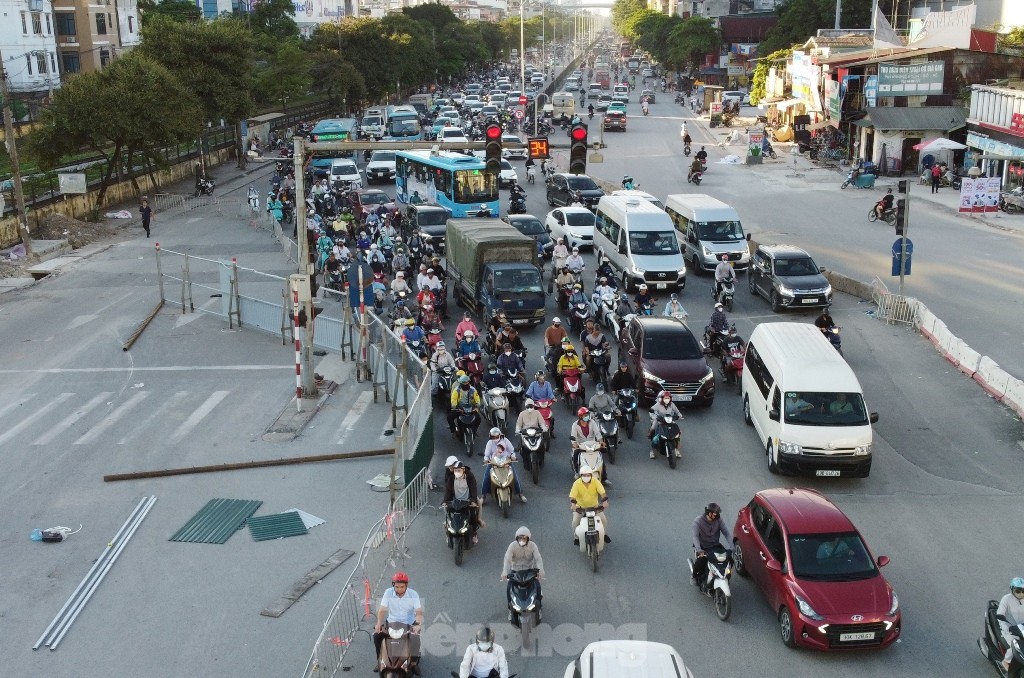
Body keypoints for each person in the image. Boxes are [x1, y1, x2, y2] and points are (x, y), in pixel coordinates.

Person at [372, 572, 423, 673]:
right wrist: (378, 623)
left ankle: (413, 663)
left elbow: (419, 612)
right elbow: (382, 610)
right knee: (376, 636)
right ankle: (380, 660)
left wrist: (417, 625)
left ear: (406, 585)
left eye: (402, 587)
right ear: (393, 585)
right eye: (397, 587)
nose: (399, 589)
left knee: (415, 638)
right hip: (392, 622)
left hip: (408, 623)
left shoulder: (413, 594)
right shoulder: (388, 592)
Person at [501, 526, 545, 618]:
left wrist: (541, 570)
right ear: (516, 538)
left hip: (529, 570)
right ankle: (510, 609)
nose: (522, 540)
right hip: (515, 571)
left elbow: (538, 558)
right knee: (509, 588)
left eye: (524, 538)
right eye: (520, 538)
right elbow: (507, 559)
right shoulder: (512, 546)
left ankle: (539, 607)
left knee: (537, 586)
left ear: (528, 538)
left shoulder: (533, 546)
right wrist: (504, 572)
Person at [442, 461, 485, 544]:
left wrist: (473, 501)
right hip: (456, 500)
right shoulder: (451, 479)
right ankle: (448, 534)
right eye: (455, 470)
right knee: (449, 515)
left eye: (459, 470)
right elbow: (448, 491)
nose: (457, 472)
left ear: (463, 470)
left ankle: (474, 533)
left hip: (468, 500)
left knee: (473, 516)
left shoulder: (470, 477)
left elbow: (473, 489)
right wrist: (445, 501)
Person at [691, 503, 731, 589]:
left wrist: (732, 546)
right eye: (715, 513)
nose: (717, 515)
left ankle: (725, 577)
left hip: (715, 545)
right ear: (709, 513)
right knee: (700, 562)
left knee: (729, 559)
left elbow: (726, 533)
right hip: (703, 547)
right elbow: (695, 537)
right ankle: (694, 576)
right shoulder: (698, 522)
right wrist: (699, 550)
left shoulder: (719, 520)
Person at [569, 464, 610, 545]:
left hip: (594, 507)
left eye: (588, 475)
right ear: (581, 476)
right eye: (584, 475)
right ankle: (577, 537)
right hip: (580, 508)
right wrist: (573, 505)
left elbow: (603, 493)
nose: (586, 477)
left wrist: (605, 502)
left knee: (604, 520)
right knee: (575, 522)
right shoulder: (577, 484)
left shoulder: (596, 482)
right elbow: (572, 496)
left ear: (591, 475)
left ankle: (603, 534)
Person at [481, 435, 526, 503]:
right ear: (490, 437)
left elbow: (512, 451)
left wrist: (513, 457)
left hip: (506, 462)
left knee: (514, 476)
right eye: (493, 437)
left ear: (500, 435)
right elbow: (486, 455)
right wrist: (486, 460)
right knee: (486, 477)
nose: (495, 438)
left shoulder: (505, 440)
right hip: (494, 463)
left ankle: (520, 494)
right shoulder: (490, 443)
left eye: (497, 437)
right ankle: (483, 496)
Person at [997, 577, 1024, 671]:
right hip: (1009, 627)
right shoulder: (1006, 599)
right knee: (1015, 645)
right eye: (1018, 591)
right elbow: (1000, 613)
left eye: (1023, 591)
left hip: (1021, 627)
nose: (1021, 594)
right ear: (1012, 589)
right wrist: (1005, 623)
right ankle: (1006, 661)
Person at [569, 407, 604, 478]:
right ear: (580, 416)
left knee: (600, 457)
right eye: (585, 415)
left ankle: (604, 477)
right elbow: (573, 436)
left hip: (592, 445)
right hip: (581, 445)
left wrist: (601, 441)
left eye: (587, 415)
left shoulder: (592, 422)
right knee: (575, 454)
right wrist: (574, 443)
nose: (587, 417)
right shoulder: (575, 425)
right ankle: (576, 472)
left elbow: (597, 433)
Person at [648, 390, 683, 459]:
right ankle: (652, 450)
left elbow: (677, 412)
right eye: (665, 398)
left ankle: (677, 450)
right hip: (660, 421)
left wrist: (679, 416)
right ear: (662, 398)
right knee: (656, 437)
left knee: (677, 433)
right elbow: (651, 410)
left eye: (668, 398)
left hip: (669, 420)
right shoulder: (658, 404)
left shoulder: (672, 404)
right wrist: (655, 417)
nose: (667, 399)